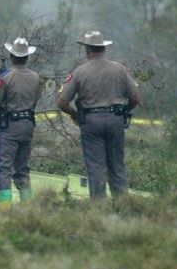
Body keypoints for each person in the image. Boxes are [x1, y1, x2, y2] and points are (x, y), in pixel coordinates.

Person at [57, 31, 140, 199]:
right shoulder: (119, 69)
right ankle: (123, 205)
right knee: (116, 166)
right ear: (104, 49)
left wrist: (74, 115)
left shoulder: (79, 72)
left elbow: (62, 103)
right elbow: (135, 98)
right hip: (115, 119)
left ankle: (99, 208)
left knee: (96, 166)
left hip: (91, 122)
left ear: (87, 50)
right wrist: (123, 112)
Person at [0, 37, 41, 210]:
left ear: (12, 56)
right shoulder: (36, 78)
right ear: (27, 57)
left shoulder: (6, 77)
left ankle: (4, 207)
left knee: (3, 168)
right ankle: (28, 205)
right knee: (22, 168)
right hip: (27, 125)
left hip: (9, 127)